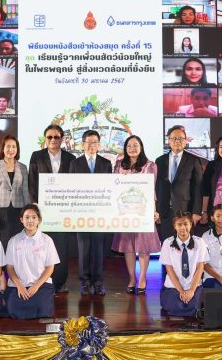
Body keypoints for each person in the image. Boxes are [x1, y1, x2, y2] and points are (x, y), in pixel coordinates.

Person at [27, 124, 75, 291]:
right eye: (49, 137)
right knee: (42, 246)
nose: (53, 139)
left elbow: (75, 184)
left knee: (61, 246)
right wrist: (34, 204)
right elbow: (31, 182)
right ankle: (43, 281)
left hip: (62, 211)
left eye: (56, 137)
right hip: (43, 210)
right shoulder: (37, 156)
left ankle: (60, 282)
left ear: (61, 139)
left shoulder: (71, 158)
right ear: (45, 139)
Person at [111, 135, 161, 294]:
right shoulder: (119, 164)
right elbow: (113, 187)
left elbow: (152, 190)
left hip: (143, 211)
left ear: (141, 147)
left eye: (135, 145)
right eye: (129, 146)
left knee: (143, 247)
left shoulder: (150, 165)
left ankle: (143, 278)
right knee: (128, 247)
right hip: (124, 211)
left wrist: (154, 211)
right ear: (125, 149)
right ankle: (132, 278)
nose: (132, 148)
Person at [68, 130, 113, 295]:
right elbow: (71, 188)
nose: (92, 145)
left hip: (100, 213)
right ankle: (85, 282)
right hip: (81, 213)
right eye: (89, 142)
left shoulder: (106, 163)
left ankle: (99, 282)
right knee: (83, 248)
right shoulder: (75, 163)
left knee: (99, 249)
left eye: (95, 142)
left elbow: (109, 188)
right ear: (83, 144)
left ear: (99, 145)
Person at [5, 204, 58, 319]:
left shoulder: (47, 240)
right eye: (27, 217)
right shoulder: (13, 241)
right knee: (13, 309)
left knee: (43, 309)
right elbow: (10, 267)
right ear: (21, 220)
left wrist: (36, 286)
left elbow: (50, 267)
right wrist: (19, 285)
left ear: (39, 220)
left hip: (41, 285)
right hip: (19, 285)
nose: (30, 221)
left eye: (34, 217)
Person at [156, 125, 203, 240]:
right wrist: (157, 210)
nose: (177, 141)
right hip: (165, 211)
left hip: (185, 211)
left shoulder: (193, 160)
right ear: (169, 141)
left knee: (186, 244)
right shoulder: (160, 161)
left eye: (181, 138)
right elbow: (157, 187)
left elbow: (198, 188)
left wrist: (197, 211)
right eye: (174, 138)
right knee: (167, 243)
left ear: (186, 141)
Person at [0, 134, 30, 246]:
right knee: (1, 242)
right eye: (8, 146)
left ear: (17, 149)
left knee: (17, 243)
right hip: (0, 211)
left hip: (18, 211)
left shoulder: (23, 167)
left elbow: (25, 192)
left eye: (14, 147)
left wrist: (27, 213)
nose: (11, 149)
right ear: (3, 148)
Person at [158, 214, 208, 318]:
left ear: (191, 224)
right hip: (173, 286)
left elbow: (200, 268)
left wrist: (191, 290)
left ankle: (192, 308)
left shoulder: (199, 242)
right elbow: (169, 270)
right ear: (174, 226)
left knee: (194, 305)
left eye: (185, 224)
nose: (183, 228)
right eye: (179, 224)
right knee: (176, 305)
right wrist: (181, 290)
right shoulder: (167, 243)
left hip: (194, 286)